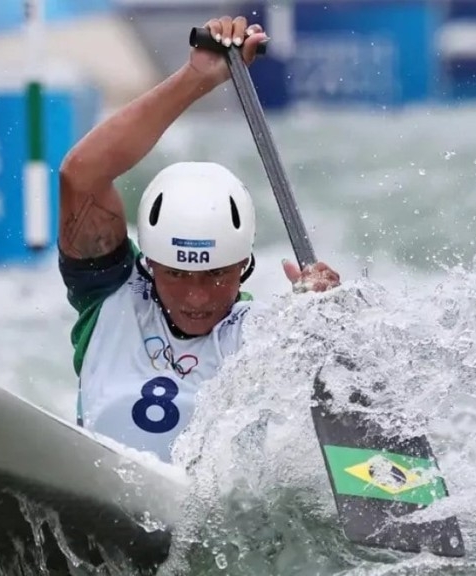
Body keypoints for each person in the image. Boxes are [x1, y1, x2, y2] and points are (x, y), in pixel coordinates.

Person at [57, 15, 341, 463]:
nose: (195, 296)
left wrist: (326, 321)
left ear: (243, 265)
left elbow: (326, 378)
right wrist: (196, 78)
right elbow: (82, 174)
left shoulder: (264, 336)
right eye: (176, 274)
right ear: (149, 263)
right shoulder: (108, 296)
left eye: (215, 276)